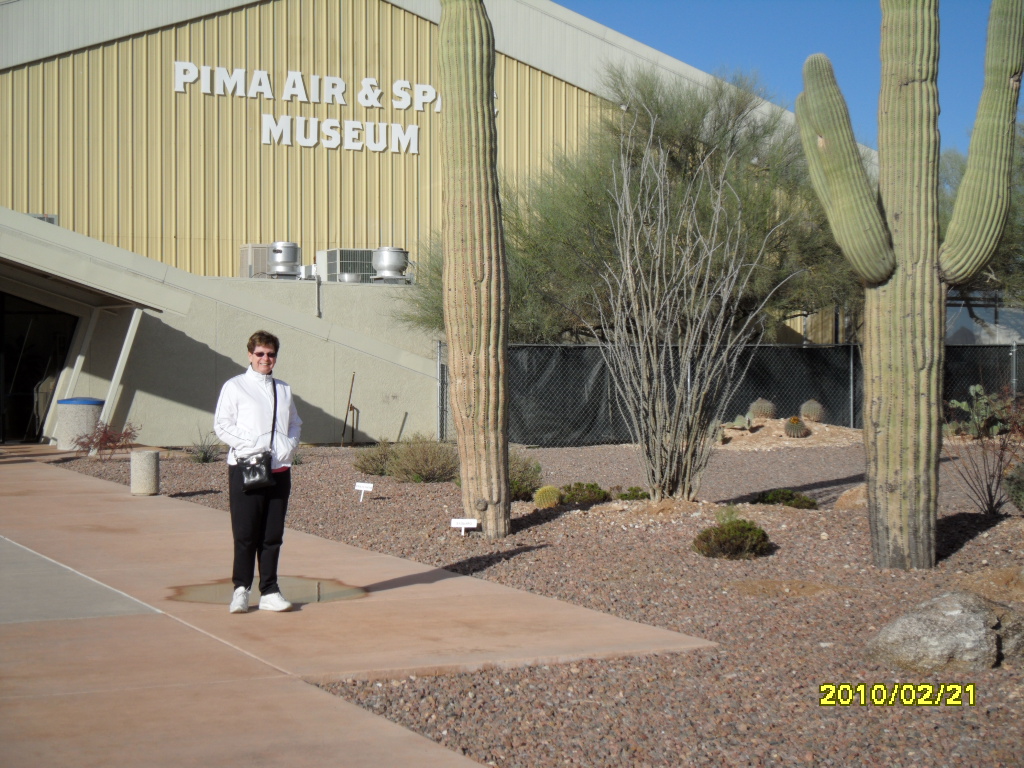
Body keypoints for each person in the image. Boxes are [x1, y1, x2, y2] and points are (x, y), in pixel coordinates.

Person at [214, 330, 302, 613]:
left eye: (271, 354)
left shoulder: (284, 389)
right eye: (261, 354)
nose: (266, 359)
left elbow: (295, 423)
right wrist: (253, 444)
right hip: (247, 466)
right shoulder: (235, 386)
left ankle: (270, 590)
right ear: (250, 355)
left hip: (278, 468)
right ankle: (241, 589)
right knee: (245, 532)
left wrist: (288, 446)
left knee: (272, 533)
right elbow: (222, 425)